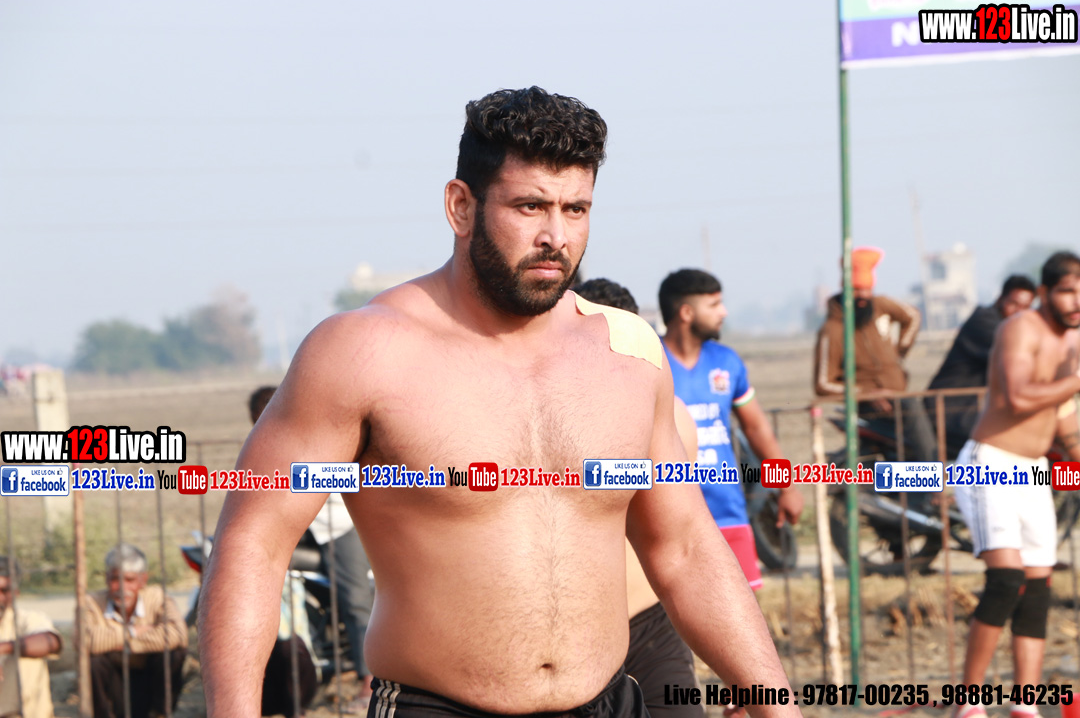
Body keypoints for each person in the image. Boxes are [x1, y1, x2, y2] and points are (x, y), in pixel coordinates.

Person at [199, 86, 799, 718]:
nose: (556, 236)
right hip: (438, 706)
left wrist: (775, 704)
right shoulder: (362, 353)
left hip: (606, 701)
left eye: (576, 209)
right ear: (461, 206)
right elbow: (254, 543)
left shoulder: (627, 354)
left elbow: (684, 548)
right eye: (530, 206)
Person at [950, 251, 1080, 718]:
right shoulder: (1020, 328)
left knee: (1038, 587)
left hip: (1034, 470)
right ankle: (969, 701)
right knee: (1006, 580)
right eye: (1067, 291)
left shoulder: (1073, 342)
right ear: (1045, 292)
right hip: (991, 463)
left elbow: (1063, 419)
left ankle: (1026, 703)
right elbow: (1020, 396)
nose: (1077, 301)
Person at [575, 277, 703, 718]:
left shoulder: (672, 419)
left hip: (649, 626)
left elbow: (683, 541)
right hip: (570, 642)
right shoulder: (544, 420)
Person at [658, 268, 804, 591]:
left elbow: (756, 427)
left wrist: (786, 487)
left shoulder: (727, 362)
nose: (723, 312)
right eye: (714, 305)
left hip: (728, 512)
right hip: (668, 517)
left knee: (744, 611)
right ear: (686, 313)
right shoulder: (649, 360)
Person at [813, 246, 937, 462]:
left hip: (896, 394)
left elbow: (913, 316)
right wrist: (867, 393)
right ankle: (935, 472)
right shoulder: (832, 330)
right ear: (845, 289)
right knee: (911, 406)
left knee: (935, 406)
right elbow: (823, 383)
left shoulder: (880, 306)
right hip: (868, 405)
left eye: (867, 289)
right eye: (856, 290)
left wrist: (898, 354)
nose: (863, 295)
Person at [250, 386, 319, 717]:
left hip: (322, 526)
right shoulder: (257, 453)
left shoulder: (310, 443)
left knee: (354, 594)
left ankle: (364, 676)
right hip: (279, 530)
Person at [927, 275, 1037, 458]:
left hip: (971, 409)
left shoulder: (1009, 327)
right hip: (952, 409)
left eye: (1026, 307)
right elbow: (1018, 356)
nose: (1019, 311)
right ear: (1000, 300)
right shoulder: (986, 323)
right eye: (1014, 304)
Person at [84, 543, 187, 718]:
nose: (122, 587)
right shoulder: (92, 602)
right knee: (94, 662)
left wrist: (119, 643)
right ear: (107, 579)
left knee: (174, 654)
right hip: (114, 681)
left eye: (129, 580)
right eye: (115, 579)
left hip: (150, 678)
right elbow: (85, 640)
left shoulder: (157, 597)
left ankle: (160, 714)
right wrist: (134, 632)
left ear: (142, 580)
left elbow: (178, 634)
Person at [0, 558, 62, 718]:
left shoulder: (28, 619)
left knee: (27, 649)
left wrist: (4, 648)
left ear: (16, 593)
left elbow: (50, 642)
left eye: (4, 591)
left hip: (24, 713)